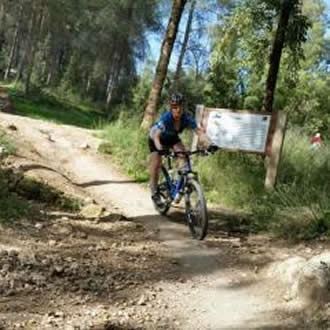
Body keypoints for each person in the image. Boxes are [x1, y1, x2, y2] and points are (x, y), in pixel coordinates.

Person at [148, 93, 204, 206]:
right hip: (156, 139)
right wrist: (160, 150)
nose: (177, 110)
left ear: (183, 107)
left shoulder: (186, 118)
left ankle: (179, 187)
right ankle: (154, 192)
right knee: (156, 163)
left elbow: (199, 132)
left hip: (172, 138)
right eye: (174, 107)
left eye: (180, 107)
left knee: (184, 157)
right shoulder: (167, 118)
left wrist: (209, 144)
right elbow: (156, 136)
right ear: (171, 108)